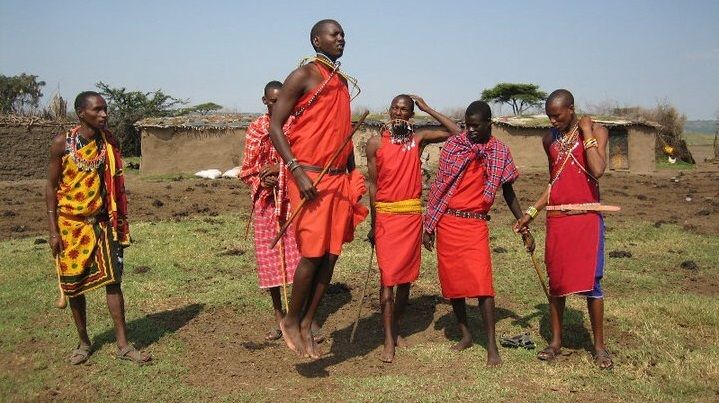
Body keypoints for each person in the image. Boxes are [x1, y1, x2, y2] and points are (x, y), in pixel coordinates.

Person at [268, 19, 366, 359]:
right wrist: (296, 171)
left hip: (339, 179)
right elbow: (275, 127)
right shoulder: (303, 75)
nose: (341, 38)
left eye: (343, 34)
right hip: (310, 177)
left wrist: (354, 177)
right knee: (312, 253)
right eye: (334, 34)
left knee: (331, 254)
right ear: (316, 39)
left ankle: (308, 321)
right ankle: (291, 320)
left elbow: (342, 133)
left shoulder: (339, 80)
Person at [423, 100, 533, 366]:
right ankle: (465, 334)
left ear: (489, 124)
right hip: (448, 222)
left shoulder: (499, 152)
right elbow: (440, 187)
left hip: (474, 224)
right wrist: (429, 226)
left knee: (483, 285)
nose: (470, 130)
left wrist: (523, 225)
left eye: (476, 125)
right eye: (467, 125)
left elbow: (508, 191)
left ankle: (492, 346)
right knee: (453, 283)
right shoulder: (454, 146)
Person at [45, 91, 150, 365]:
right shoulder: (62, 144)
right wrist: (53, 230)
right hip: (71, 225)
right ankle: (83, 342)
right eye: (98, 110)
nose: (104, 114)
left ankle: (124, 345)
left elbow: (113, 185)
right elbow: (51, 187)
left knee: (114, 282)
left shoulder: (108, 144)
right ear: (81, 113)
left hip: (103, 224)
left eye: (105, 109)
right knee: (75, 286)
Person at [514, 89, 613, 369]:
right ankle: (555, 343)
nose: (553, 121)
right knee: (557, 281)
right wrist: (531, 213)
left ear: (571, 109)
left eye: (557, 116)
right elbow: (553, 183)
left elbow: (597, 170)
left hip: (586, 218)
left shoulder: (597, 132)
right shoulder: (549, 140)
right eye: (549, 117)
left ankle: (599, 347)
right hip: (558, 219)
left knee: (592, 283)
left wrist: (586, 132)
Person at [366, 94, 460, 362]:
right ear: (389, 110)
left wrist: (428, 107)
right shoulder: (375, 144)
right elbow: (373, 185)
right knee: (387, 279)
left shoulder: (417, 140)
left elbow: (456, 132)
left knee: (405, 278)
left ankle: (395, 327)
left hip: (410, 217)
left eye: (404, 109)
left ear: (410, 114)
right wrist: (373, 224)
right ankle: (387, 340)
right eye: (395, 108)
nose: (399, 112)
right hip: (386, 217)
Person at [239, 80, 302, 341]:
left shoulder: (296, 126)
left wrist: (281, 170)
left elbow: (305, 163)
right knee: (270, 263)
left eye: (282, 100)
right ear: (265, 101)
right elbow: (246, 170)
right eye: (272, 101)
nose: (277, 105)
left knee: (299, 260)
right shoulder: (255, 129)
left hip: (293, 203)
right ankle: (279, 318)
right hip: (266, 204)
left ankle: (299, 317)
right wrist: (261, 179)